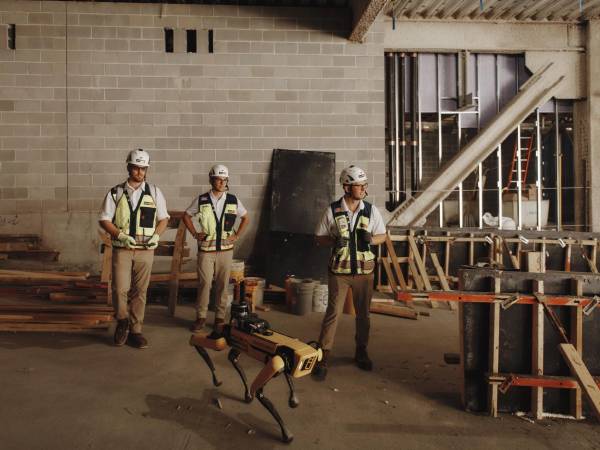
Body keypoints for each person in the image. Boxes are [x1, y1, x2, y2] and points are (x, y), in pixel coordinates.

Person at [312, 165, 387, 380]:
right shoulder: (332, 210)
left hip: (365, 274)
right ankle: (323, 355)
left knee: (364, 315)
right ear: (347, 187)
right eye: (359, 185)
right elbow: (318, 239)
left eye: (364, 185)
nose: (364, 189)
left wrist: (371, 240)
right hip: (340, 273)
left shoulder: (371, 211)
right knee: (333, 313)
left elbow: (383, 235)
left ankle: (361, 351)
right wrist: (334, 240)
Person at [99, 149, 169, 348]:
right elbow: (104, 219)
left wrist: (156, 236)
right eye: (136, 167)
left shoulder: (155, 192)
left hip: (146, 250)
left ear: (147, 169)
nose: (139, 172)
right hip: (122, 249)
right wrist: (120, 235)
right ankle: (122, 321)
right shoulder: (116, 193)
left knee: (140, 291)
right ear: (128, 166)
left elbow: (164, 219)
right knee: (120, 288)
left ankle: (136, 330)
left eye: (143, 168)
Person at [183, 164, 250, 332]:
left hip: (226, 251)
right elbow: (186, 216)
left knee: (222, 284)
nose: (221, 182)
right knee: (204, 283)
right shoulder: (202, 200)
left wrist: (236, 236)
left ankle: (220, 318)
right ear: (211, 180)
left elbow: (246, 218)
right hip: (206, 251)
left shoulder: (233, 200)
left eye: (224, 179)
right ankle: (201, 317)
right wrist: (194, 233)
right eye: (218, 179)